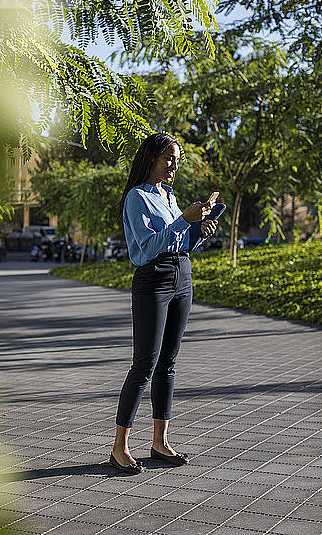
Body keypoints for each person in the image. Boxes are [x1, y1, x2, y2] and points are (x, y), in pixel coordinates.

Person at [110, 133, 225, 475]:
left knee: (168, 364)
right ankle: (119, 447)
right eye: (168, 158)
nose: (174, 165)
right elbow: (144, 249)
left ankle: (159, 442)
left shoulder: (169, 195)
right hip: (153, 279)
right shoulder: (137, 198)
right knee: (144, 364)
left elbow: (180, 243)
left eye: (177, 159)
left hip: (181, 277)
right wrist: (182, 221)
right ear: (152, 159)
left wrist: (198, 232)